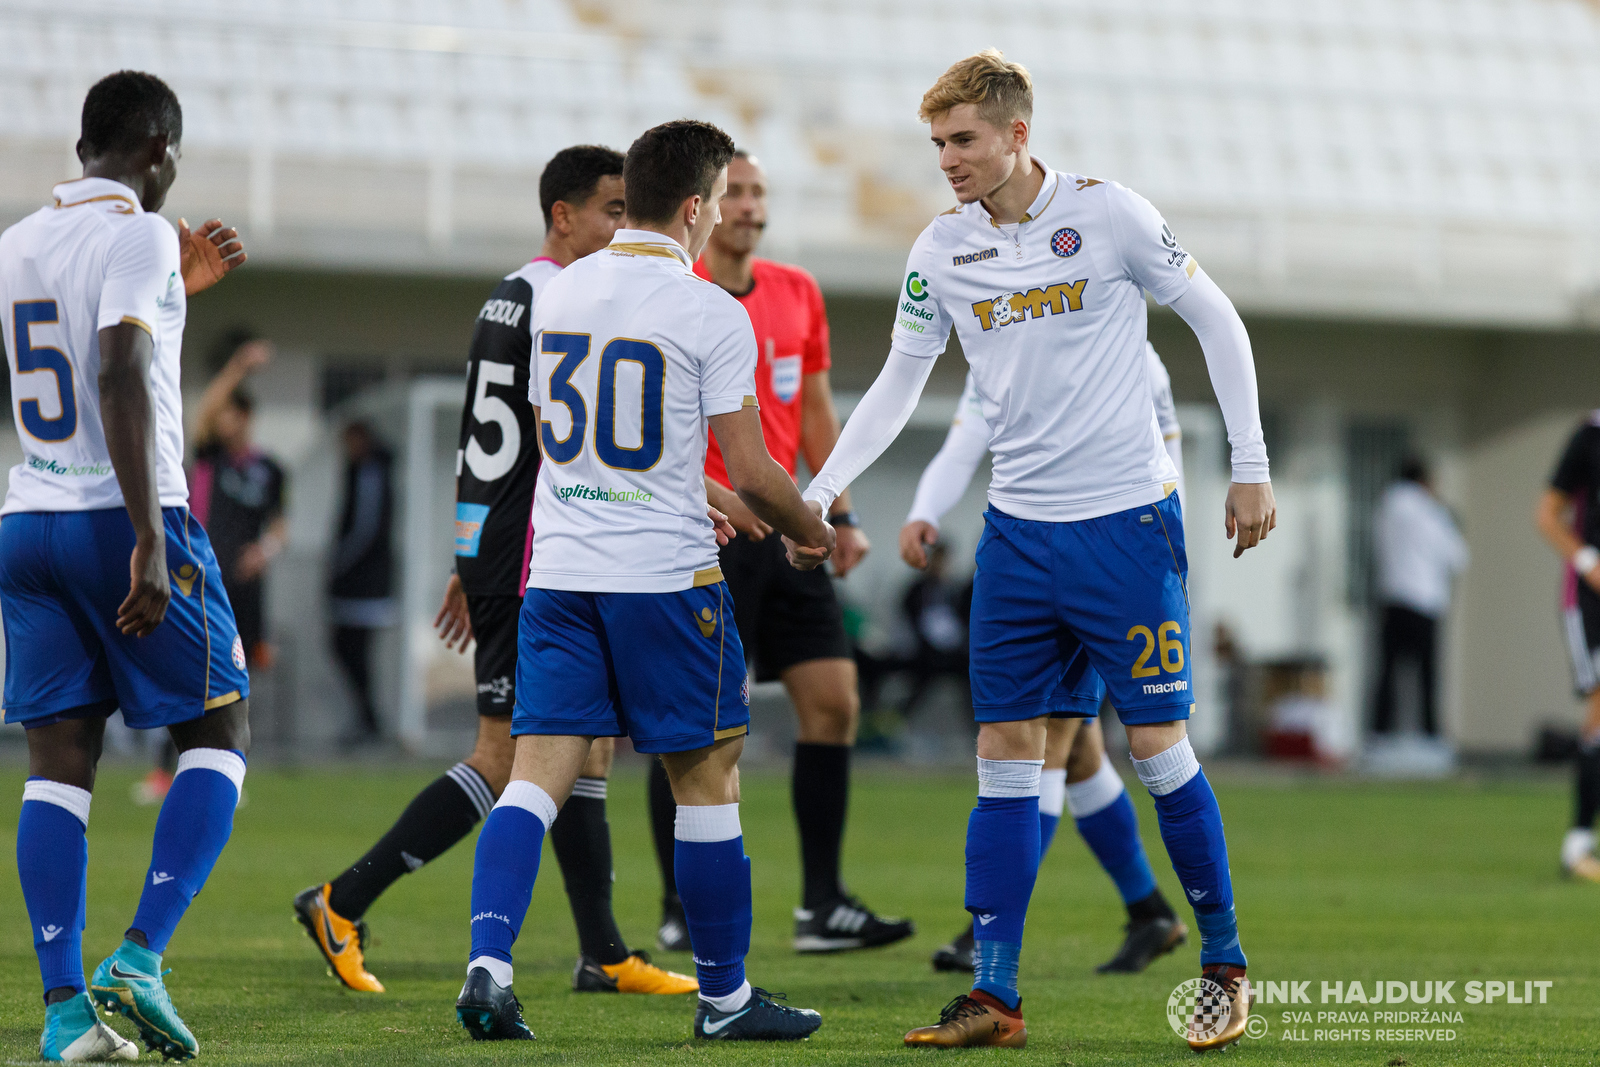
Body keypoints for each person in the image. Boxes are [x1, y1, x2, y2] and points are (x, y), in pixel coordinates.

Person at [793, 52, 1275, 1051]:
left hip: (1124, 532)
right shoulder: (940, 249)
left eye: (962, 140)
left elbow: (1215, 320)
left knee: (1155, 750)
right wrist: (818, 488)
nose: (948, 160)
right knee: (1005, 759)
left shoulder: (1111, 216)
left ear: (1017, 133)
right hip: (1015, 539)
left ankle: (1223, 962)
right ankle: (995, 995)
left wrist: (1249, 462)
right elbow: (897, 380)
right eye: (936, 144)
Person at [455, 119, 834, 1043]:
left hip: (562, 573)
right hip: (664, 581)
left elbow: (559, 433)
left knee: (533, 782)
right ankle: (727, 1000)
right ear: (699, 207)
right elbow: (754, 469)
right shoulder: (711, 308)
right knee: (707, 780)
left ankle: (489, 969)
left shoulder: (564, 289)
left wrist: (683, 483)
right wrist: (812, 531)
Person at [296, 145, 694, 997]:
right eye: (612, 210)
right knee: (510, 752)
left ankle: (604, 952)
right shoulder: (563, 294)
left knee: (588, 747)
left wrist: (467, 557)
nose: (624, 227)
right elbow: (566, 437)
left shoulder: (511, 292)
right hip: (536, 554)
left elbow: (487, 440)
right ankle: (341, 899)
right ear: (563, 216)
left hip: (505, 546)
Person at [0, 69, 251, 1061]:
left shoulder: (15, 241)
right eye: (173, 157)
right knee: (219, 725)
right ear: (155, 150)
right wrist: (149, 535)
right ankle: (140, 956)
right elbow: (113, 367)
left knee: (58, 766)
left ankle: (65, 1013)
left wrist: (175, 298)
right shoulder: (142, 227)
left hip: (28, 517)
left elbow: (71, 354)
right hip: (120, 514)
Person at [644, 149, 912, 956]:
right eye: (738, 192)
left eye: (761, 192)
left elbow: (819, 410)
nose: (752, 206)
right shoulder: (676, 296)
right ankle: (679, 905)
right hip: (714, 531)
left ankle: (821, 905)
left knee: (835, 703)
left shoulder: (797, 292)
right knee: (698, 729)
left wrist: (843, 508)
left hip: (794, 532)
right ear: (705, 204)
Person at [912, 356, 1187, 976]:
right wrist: (921, 511)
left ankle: (990, 933)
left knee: (1045, 747)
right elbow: (965, 441)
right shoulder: (1007, 336)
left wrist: (1164, 570)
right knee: (1078, 750)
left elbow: (1166, 462)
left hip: (1108, 563)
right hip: (1041, 564)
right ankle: (1149, 911)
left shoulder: (1126, 354)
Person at [137, 332, 287, 805]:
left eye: (231, 413)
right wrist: (239, 365)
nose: (221, 419)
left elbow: (280, 528)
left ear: (246, 418)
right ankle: (168, 772)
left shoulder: (270, 469)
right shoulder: (210, 455)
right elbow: (202, 413)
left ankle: (225, 772)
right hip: (200, 582)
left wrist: (264, 550)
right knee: (192, 675)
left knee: (239, 680)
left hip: (247, 588)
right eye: (220, 412)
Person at [1535, 413, 1600, 882]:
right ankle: (1576, 847)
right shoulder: (1588, 437)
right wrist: (1586, 559)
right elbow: (1547, 515)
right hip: (1589, 601)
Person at [1370, 455, 1467, 737]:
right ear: (1424, 481)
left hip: (1392, 595)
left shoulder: (1386, 504)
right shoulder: (1432, 510)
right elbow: (1456, 557)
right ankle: (1429, 733)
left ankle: (1381, 731)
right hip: (1425, 600)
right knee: (1427, 676)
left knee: (1388, 672)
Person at [327, 420, 395, 745]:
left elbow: (364, 530)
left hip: (364, 584)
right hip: (358, 582)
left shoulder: (371, 473)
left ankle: (370, 722)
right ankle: (367, 720)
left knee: (352, 650)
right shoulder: (359, 472)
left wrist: (338, 566)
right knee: (348, 649)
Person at [898, 541, 971, 719]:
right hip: (924, 651)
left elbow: (961, 620)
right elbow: (910, 623)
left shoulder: (953, 590)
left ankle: (975, 722)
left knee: (971, 673)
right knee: (921, 678)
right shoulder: (916, 590)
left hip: (954, 651)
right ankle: (900, 719)